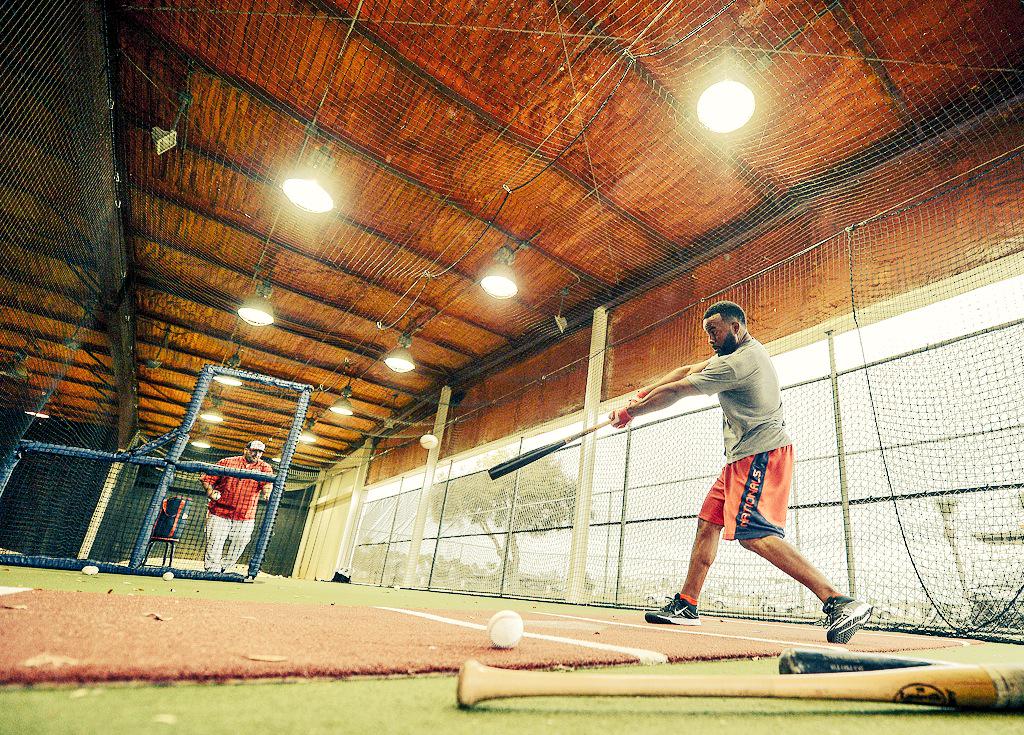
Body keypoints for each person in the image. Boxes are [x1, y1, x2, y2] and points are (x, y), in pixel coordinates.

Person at [608, 301, 873, 644]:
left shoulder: (739, 363)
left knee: (754, 535)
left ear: (735, 328)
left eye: (714, 332)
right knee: (708, 522)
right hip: (739, 459)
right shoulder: (730, 354)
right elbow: (684, 370)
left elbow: (677, 390)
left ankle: (838, 601)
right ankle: (687, 603)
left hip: (761, 454)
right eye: (707, 333)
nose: (710, 339)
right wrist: (642, 394)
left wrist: (630, 413)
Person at [201, 439, 274, 573]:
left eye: (260, 452)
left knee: (241, 543)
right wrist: (211, 492)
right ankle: (212, 570)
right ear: (246, 450)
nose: (257, 454)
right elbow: (207, 479)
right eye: (254, 451)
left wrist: (268, 494)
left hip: (245, 515)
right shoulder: (227, 462)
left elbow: (267, 484)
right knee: (215, 542)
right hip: (219, 512)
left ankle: (224, 567)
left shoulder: (265, 467)